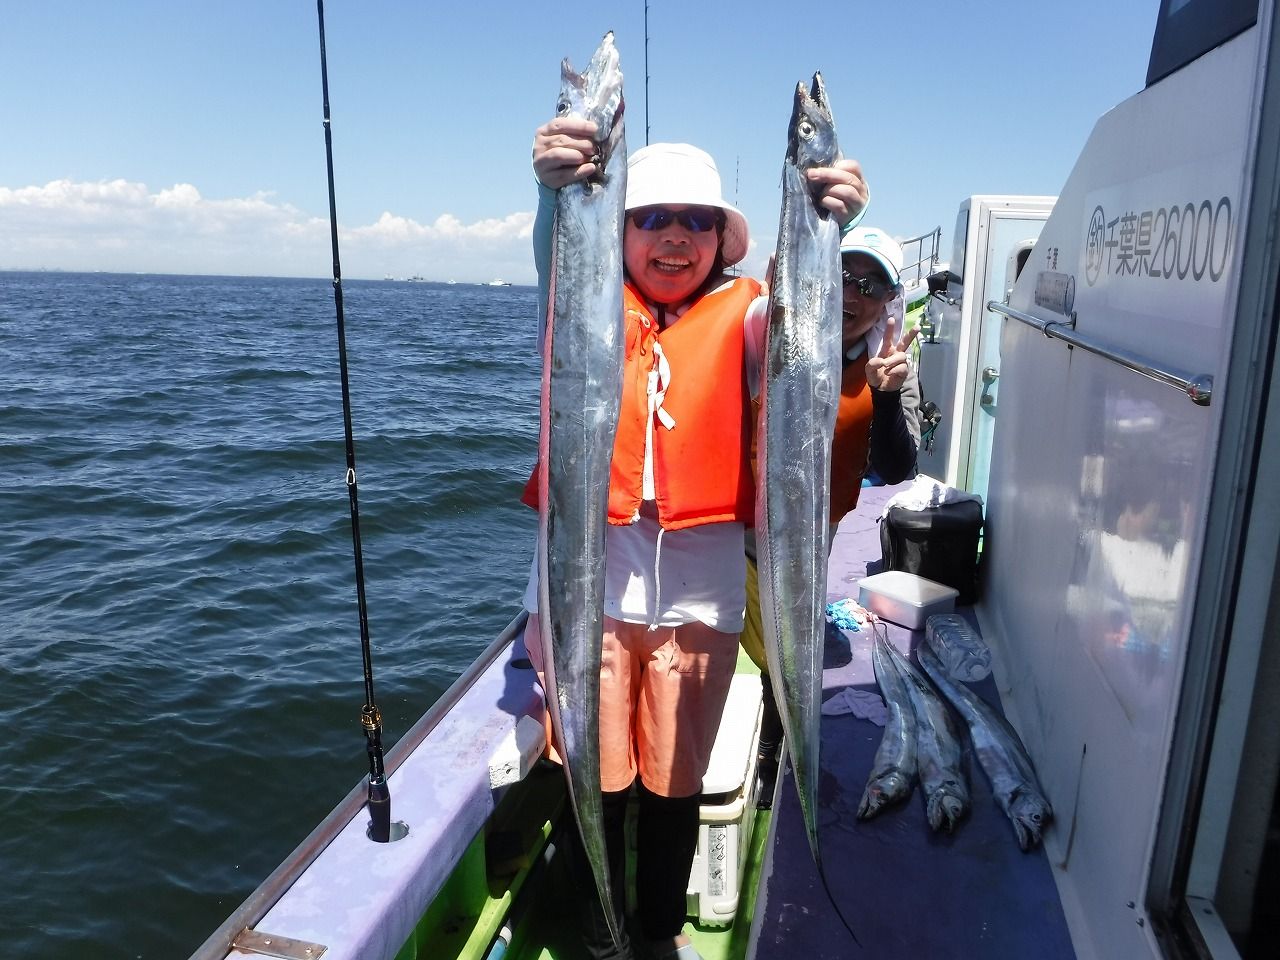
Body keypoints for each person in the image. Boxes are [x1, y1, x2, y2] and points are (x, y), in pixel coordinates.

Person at [520, 115, 868, 960]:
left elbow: (803, 332)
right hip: (589, 589)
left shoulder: (748, 315)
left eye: (697, 221)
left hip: (700, 595)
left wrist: (829, 227)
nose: (674, 236)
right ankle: (601, 929)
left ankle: (655, 932)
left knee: (676, 782)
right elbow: (553, 247)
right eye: (649, 218)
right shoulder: (582, 299)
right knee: (593, 775)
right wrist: (554, 191)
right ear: (617, 231)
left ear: (720, 240)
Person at [740, 225, 922, 809]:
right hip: (739, 523)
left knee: (784, 647)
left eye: (872, 285)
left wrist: (885, 394)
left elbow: (897, 466)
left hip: (815, 529)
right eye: (844, 274)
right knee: (758, 642)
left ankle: (778, 751)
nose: (853, 293)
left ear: (889, 299)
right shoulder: (774, 330)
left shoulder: (888, 360)